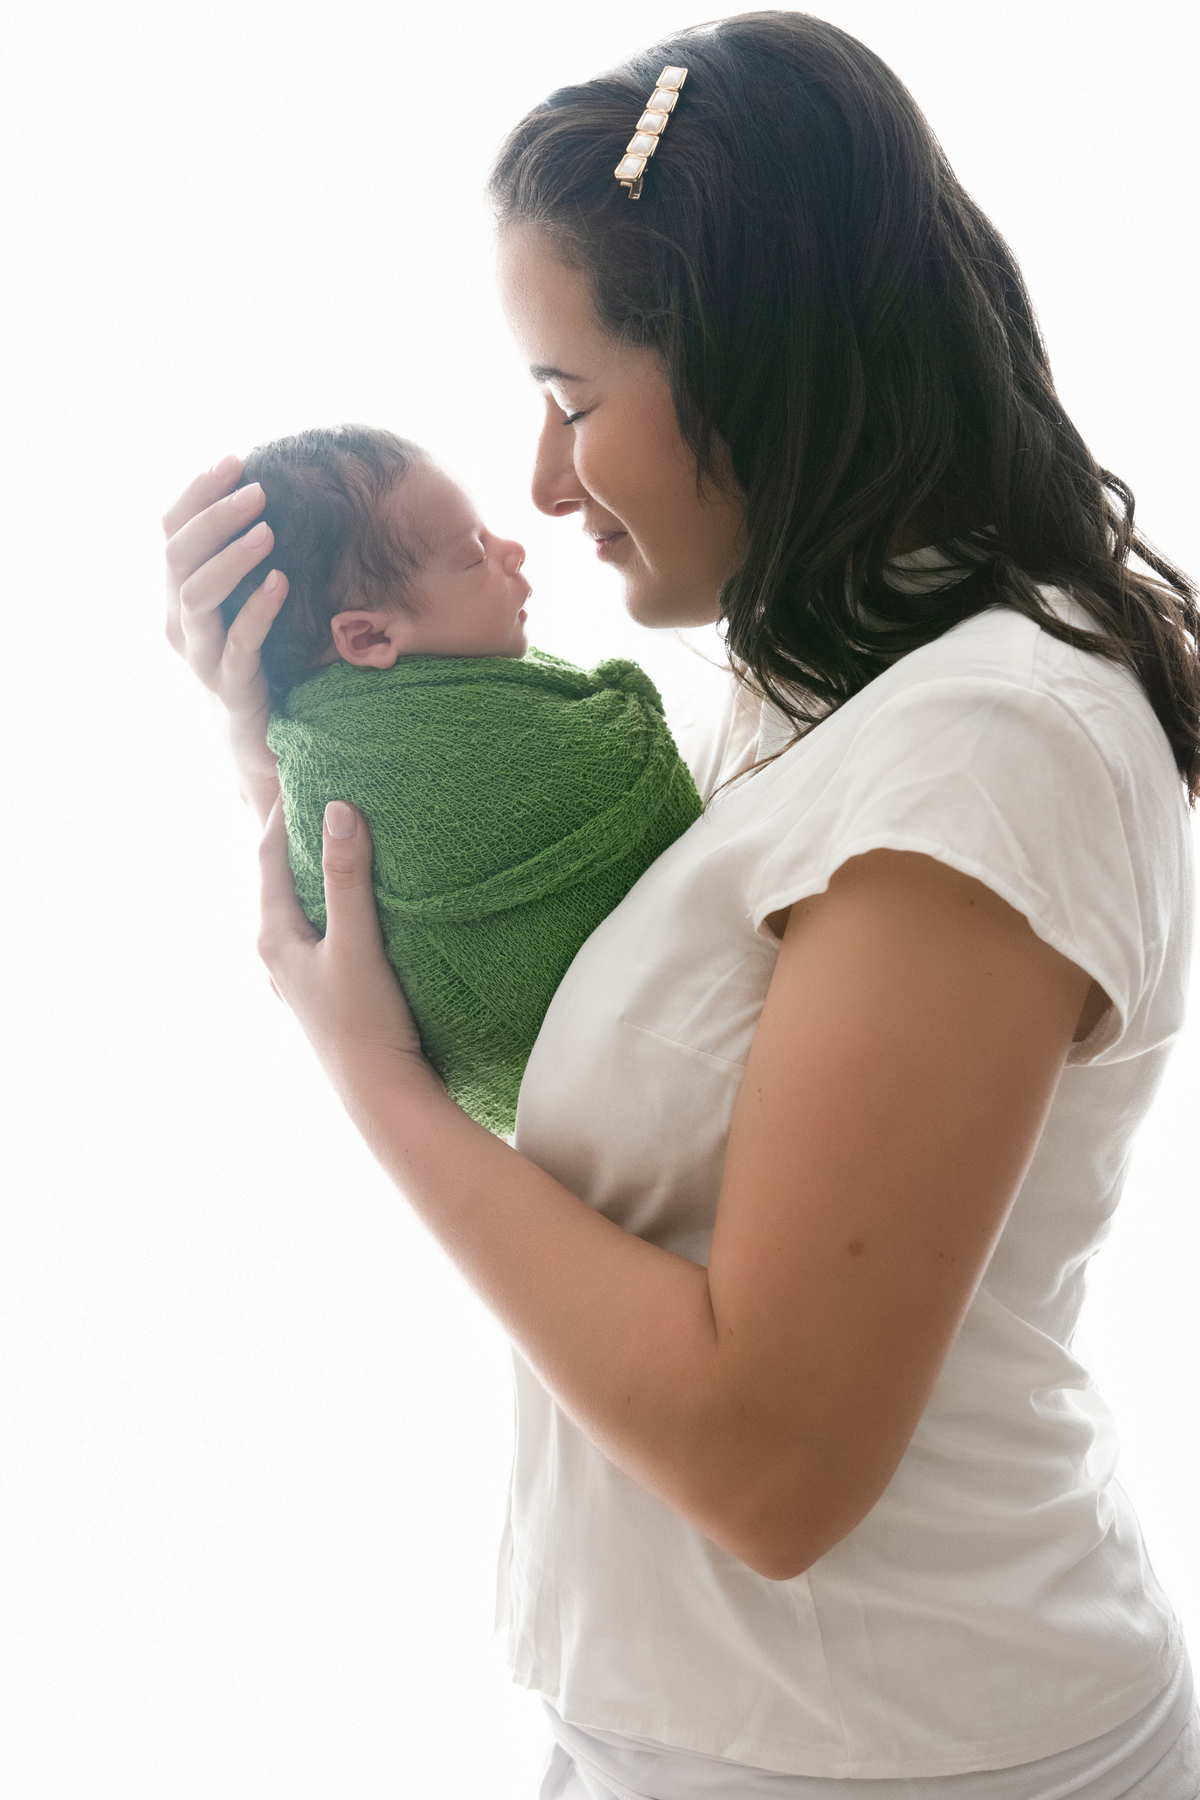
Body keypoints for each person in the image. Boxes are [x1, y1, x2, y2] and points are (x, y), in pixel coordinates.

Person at [162, 12, 1200, 1798]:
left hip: (910, 1756)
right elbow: (542, 975)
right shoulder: (814, 688)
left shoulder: (978, 755)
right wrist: (303, 732)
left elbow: (771, 1466)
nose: (548, 487)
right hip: (731, 1732)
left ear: (759, 365)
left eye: (572, 401)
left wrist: (377, 1092)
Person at [219, 423, 702, 1134]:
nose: (513, 550)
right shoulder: (367, 759)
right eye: (475, 554)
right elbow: (625, 767)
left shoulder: (322, 742)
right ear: (368, 638)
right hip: (599, 1073)